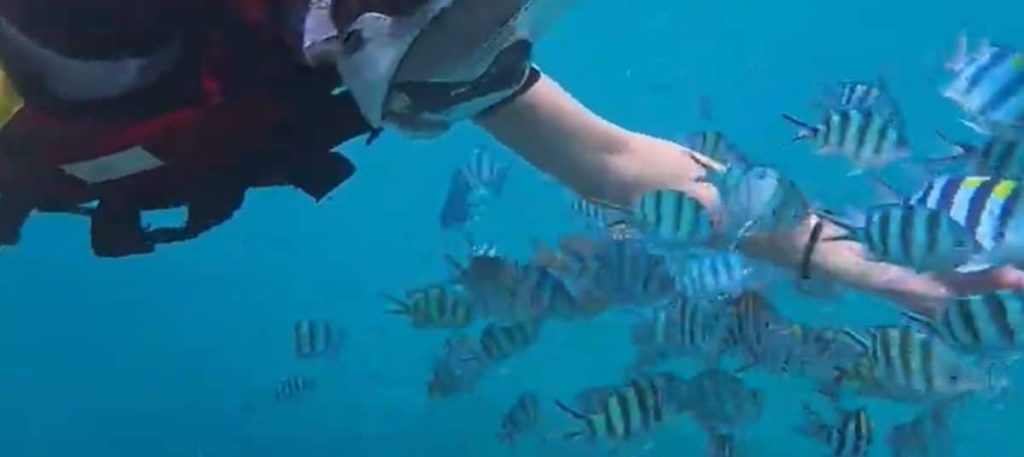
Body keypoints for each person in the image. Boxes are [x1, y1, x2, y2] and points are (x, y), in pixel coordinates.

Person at [0, 0, 1018, 315]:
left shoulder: (422, 60)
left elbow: (621, 164)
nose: (475, 86)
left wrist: (873, 268)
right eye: (458, 55)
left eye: (497, 52)